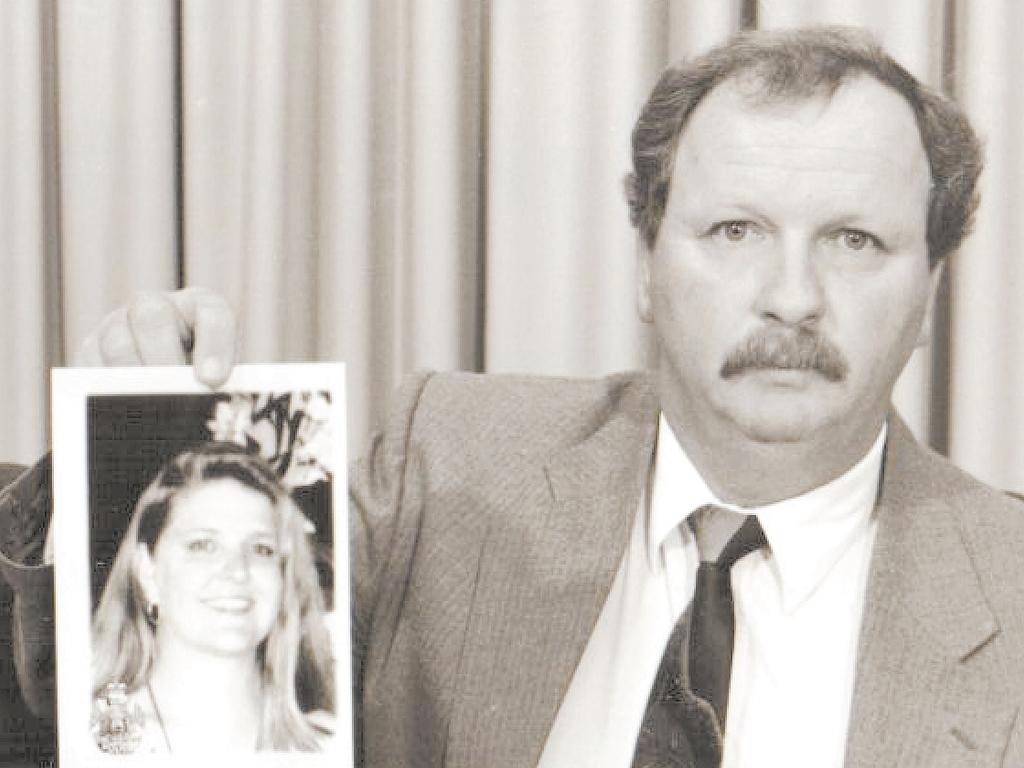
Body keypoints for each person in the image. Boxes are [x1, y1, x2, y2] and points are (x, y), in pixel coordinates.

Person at [3, 23, 1024, 768]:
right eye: (734, 232)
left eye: (855, 242)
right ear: (645, 268)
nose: (792, 299)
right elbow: (105, 699)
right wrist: (124, 439)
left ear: (928, 292)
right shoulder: (447, 462)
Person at [89, 443, 334, 754]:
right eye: (203, 545)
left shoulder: (327, 745)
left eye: (261, 549)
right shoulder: (95, 743)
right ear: (146, 572)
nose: (237, 571)